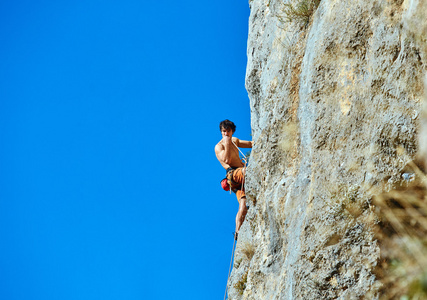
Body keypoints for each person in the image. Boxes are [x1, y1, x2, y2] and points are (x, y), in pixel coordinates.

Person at [215, 120, 253, 240]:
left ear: (232, 131)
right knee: (251, 171)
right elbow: (226, 160)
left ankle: (238, 232)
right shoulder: (219, 146)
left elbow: (251, 144)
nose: (226, 134)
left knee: (243, 204)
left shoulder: (235, 140)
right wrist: (227, 144)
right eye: (223, 131)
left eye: (228, 131)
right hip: (234, 174)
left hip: (240, 174)